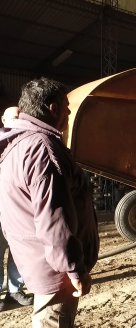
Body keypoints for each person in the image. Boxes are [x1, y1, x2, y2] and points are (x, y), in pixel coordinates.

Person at [0, 78, 99, 327]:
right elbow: (54, 220)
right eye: (66, 107)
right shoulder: (44, 149)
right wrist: (74, 269)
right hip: (55, 269)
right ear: (53, 109)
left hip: (36, 258)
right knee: (52, 322)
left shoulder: (18, 141)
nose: (68, 113)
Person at [0, 106, 34, 311]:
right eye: (13, 118)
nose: (16, 121)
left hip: (18, 208)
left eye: (19, 117)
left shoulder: (24, 142)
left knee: (18, 251)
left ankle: (15, 289)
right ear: (3, 120)